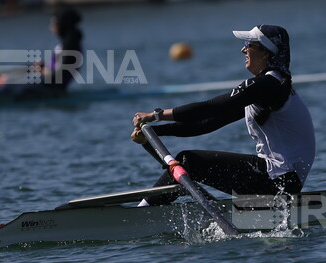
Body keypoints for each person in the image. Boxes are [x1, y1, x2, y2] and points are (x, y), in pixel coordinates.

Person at [131, 24, 315, 204]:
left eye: (248, 45)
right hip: (283, 180)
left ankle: (143, 213)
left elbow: (208, 108)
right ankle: (150, 208)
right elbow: (208, 123)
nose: (243, 50)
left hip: (278, 180)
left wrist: (155, 115)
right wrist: (155, 132)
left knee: (189, 161)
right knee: (187, 162)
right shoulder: (271, 86)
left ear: (266, 52)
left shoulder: (267, 84)